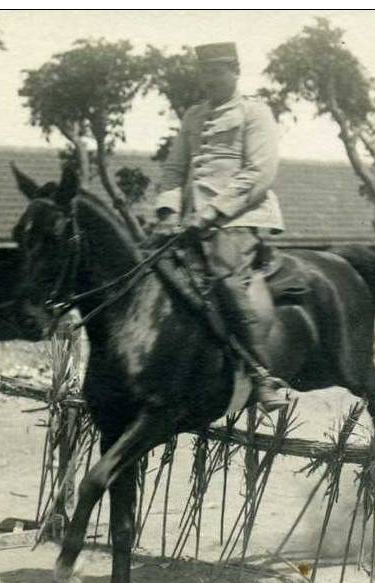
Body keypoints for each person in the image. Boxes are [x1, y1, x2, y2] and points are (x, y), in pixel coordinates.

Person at [155, 42, 289, 412]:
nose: (209, 80)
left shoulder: (255, 113)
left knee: (224, 278)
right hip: (190, 222)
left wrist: (213, 213)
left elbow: (260, 172)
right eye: (205, 72)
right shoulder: (193, 117)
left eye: (217, 71)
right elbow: (174, 169)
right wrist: (167, 211)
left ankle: (262, 374)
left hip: (240, 218)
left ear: (235, 71)